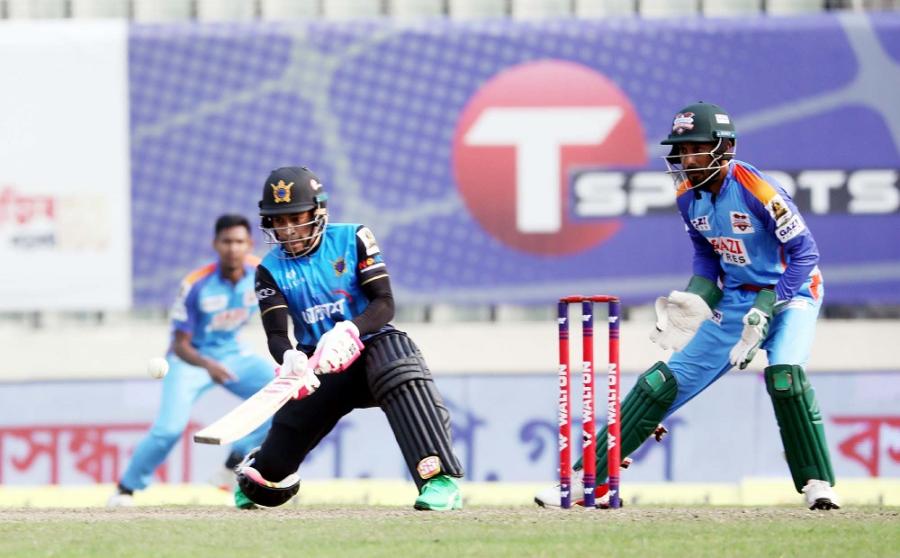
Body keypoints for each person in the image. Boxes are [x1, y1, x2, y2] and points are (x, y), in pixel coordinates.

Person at [535, 101, 839, 510]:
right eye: (681, 149)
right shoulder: (687, 196)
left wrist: (768, 305)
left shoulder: (758, 191)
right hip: (735, 299)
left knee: (784, 375)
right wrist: (696, 298)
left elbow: (805, 254)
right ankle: (587, 479)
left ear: (724, 148)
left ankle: (818, 485)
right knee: (661, 384)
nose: (685, 158)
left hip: (794, 292)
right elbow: (707, 256)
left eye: (695, 148)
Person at [232, 166, 464, 511]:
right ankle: (262, 465)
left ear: (318, 212)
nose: (287, 229)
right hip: (320, 363)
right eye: (278, 221)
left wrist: (352, 329)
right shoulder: (270, 268)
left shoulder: (353, 238)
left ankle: (438, 481)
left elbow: (384, 303)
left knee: (400, 366)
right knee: (268, 477)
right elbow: (278, 334)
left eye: (295, 217)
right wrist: (291, 360)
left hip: (372, 343)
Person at [108, 215, 275, 506]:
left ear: (249, 244)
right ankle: (125, 489)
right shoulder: (196, 284)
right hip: (190, 360)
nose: (233, 249)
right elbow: (180, 344)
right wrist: (208, 366)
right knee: (169, 429)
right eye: (226, 242)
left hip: (233, 353)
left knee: (282, 395)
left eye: (239, 242)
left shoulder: (261, 272)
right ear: (215, 244)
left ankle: (235, 460)